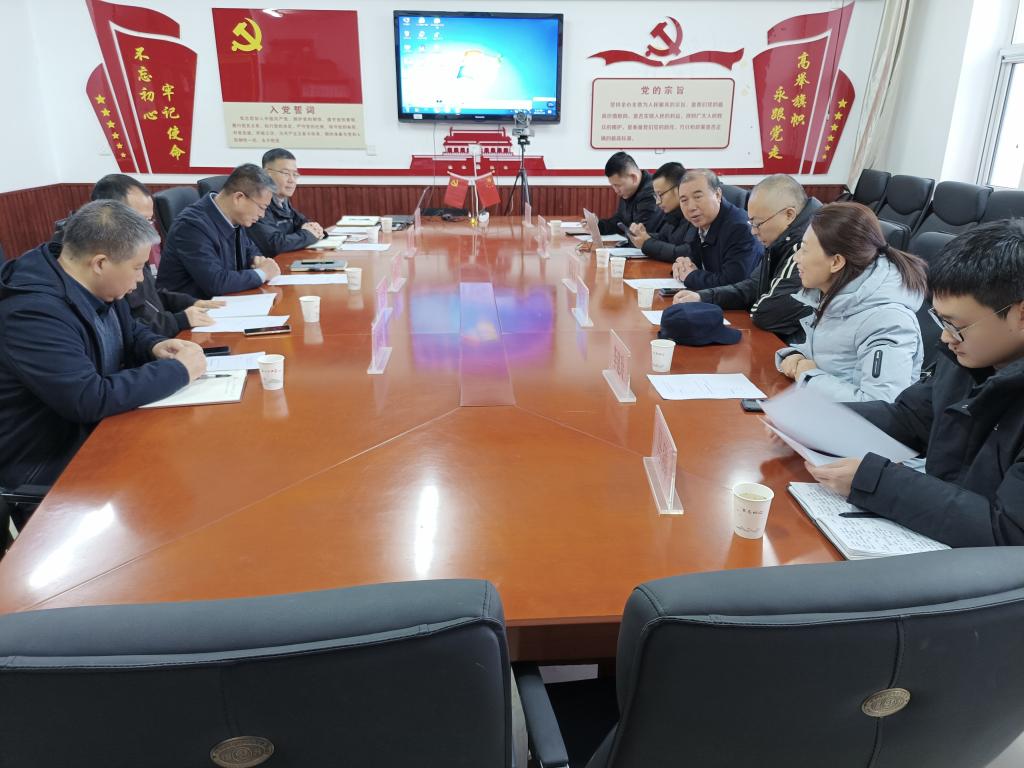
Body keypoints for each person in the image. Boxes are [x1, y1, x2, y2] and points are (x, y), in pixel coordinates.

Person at [807, 219, 1024, 547]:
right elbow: (911, 419)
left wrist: (875, 482)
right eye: (940, 320)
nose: (946, 337)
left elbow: (1008, 531)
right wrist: (816, 421)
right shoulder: (970, 358)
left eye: (956, 325)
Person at [0, 200, 207, 490]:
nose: (140, 280)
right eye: (137, 268)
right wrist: (179, 371)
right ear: (100, 263)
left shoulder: (94, 284)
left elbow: (129, 330)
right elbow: (87, 398)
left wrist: (154, 346)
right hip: (53, 460)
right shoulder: (32, 313)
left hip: (104, 428)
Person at [774, 202, 927, 402]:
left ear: (836, 262)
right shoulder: (838, 295)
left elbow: (880, 406)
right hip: (824, 412)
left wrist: (809, 376)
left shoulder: (888, 321)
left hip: (849, 421)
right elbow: (831, 357)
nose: (796, 258)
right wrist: (797, 356)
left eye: (804, 249)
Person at [672, 174, 819, 343]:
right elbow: (752, 286)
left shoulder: (810, 243)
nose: (753, 231)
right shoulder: (779, 239)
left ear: (789, 215)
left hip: (801, 349)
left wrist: (755, 304)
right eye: (752, 223)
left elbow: (766, 313)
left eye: (758, 223)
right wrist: (702, 297)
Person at [86, 174, 223, 336]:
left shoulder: (134, 248)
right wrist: (179, 320)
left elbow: (152, 294)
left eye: (149, 220)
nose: (148, 230)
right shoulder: (110, 267)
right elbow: (131, 330)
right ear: (110, 216)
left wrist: (192, 303)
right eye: (141, 221)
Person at [157, 164, 282, 298]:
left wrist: (257, 261)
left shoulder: (235, 217)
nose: (262, 215)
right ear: (238, 198)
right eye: (261, 207)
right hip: (194, 307)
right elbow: (216, 283)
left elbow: (251, 250)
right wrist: (262, 273)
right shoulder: (191, 226)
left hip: (228, 300)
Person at [671, 169, 764, 290]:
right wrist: (682, 266)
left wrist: (691, 276)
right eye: (684, 200)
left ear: (718, 195)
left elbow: (733, 284)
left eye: (698, 197)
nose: (691, 207)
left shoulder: (741, 229)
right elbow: (695, 264)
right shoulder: (698, 221)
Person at [247, 148, 326, 256]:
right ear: (266, 174)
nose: (292, 180)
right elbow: (274, 244)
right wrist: (309, 235)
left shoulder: (282, 201)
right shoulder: (257, 203)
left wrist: (316, 230)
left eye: (295, 174)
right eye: (286, 173)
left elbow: (302, 222)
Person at [626, 161, 693, 263]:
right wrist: (642, 236)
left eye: (660, 195)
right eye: (655, 196)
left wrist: (647, 243)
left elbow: (686, 252)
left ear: (678, 190)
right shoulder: (673, 214)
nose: (657, 202)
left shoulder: (694, 214)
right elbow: (663, 238)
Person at [597, 151, 661, 235]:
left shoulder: (651, 192)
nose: (616, 191)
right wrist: (598, 225)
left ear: (633, 178)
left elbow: (639, 235)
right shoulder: (628, 191)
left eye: (618, 185)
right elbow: (619, 221)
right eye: (613, 186)